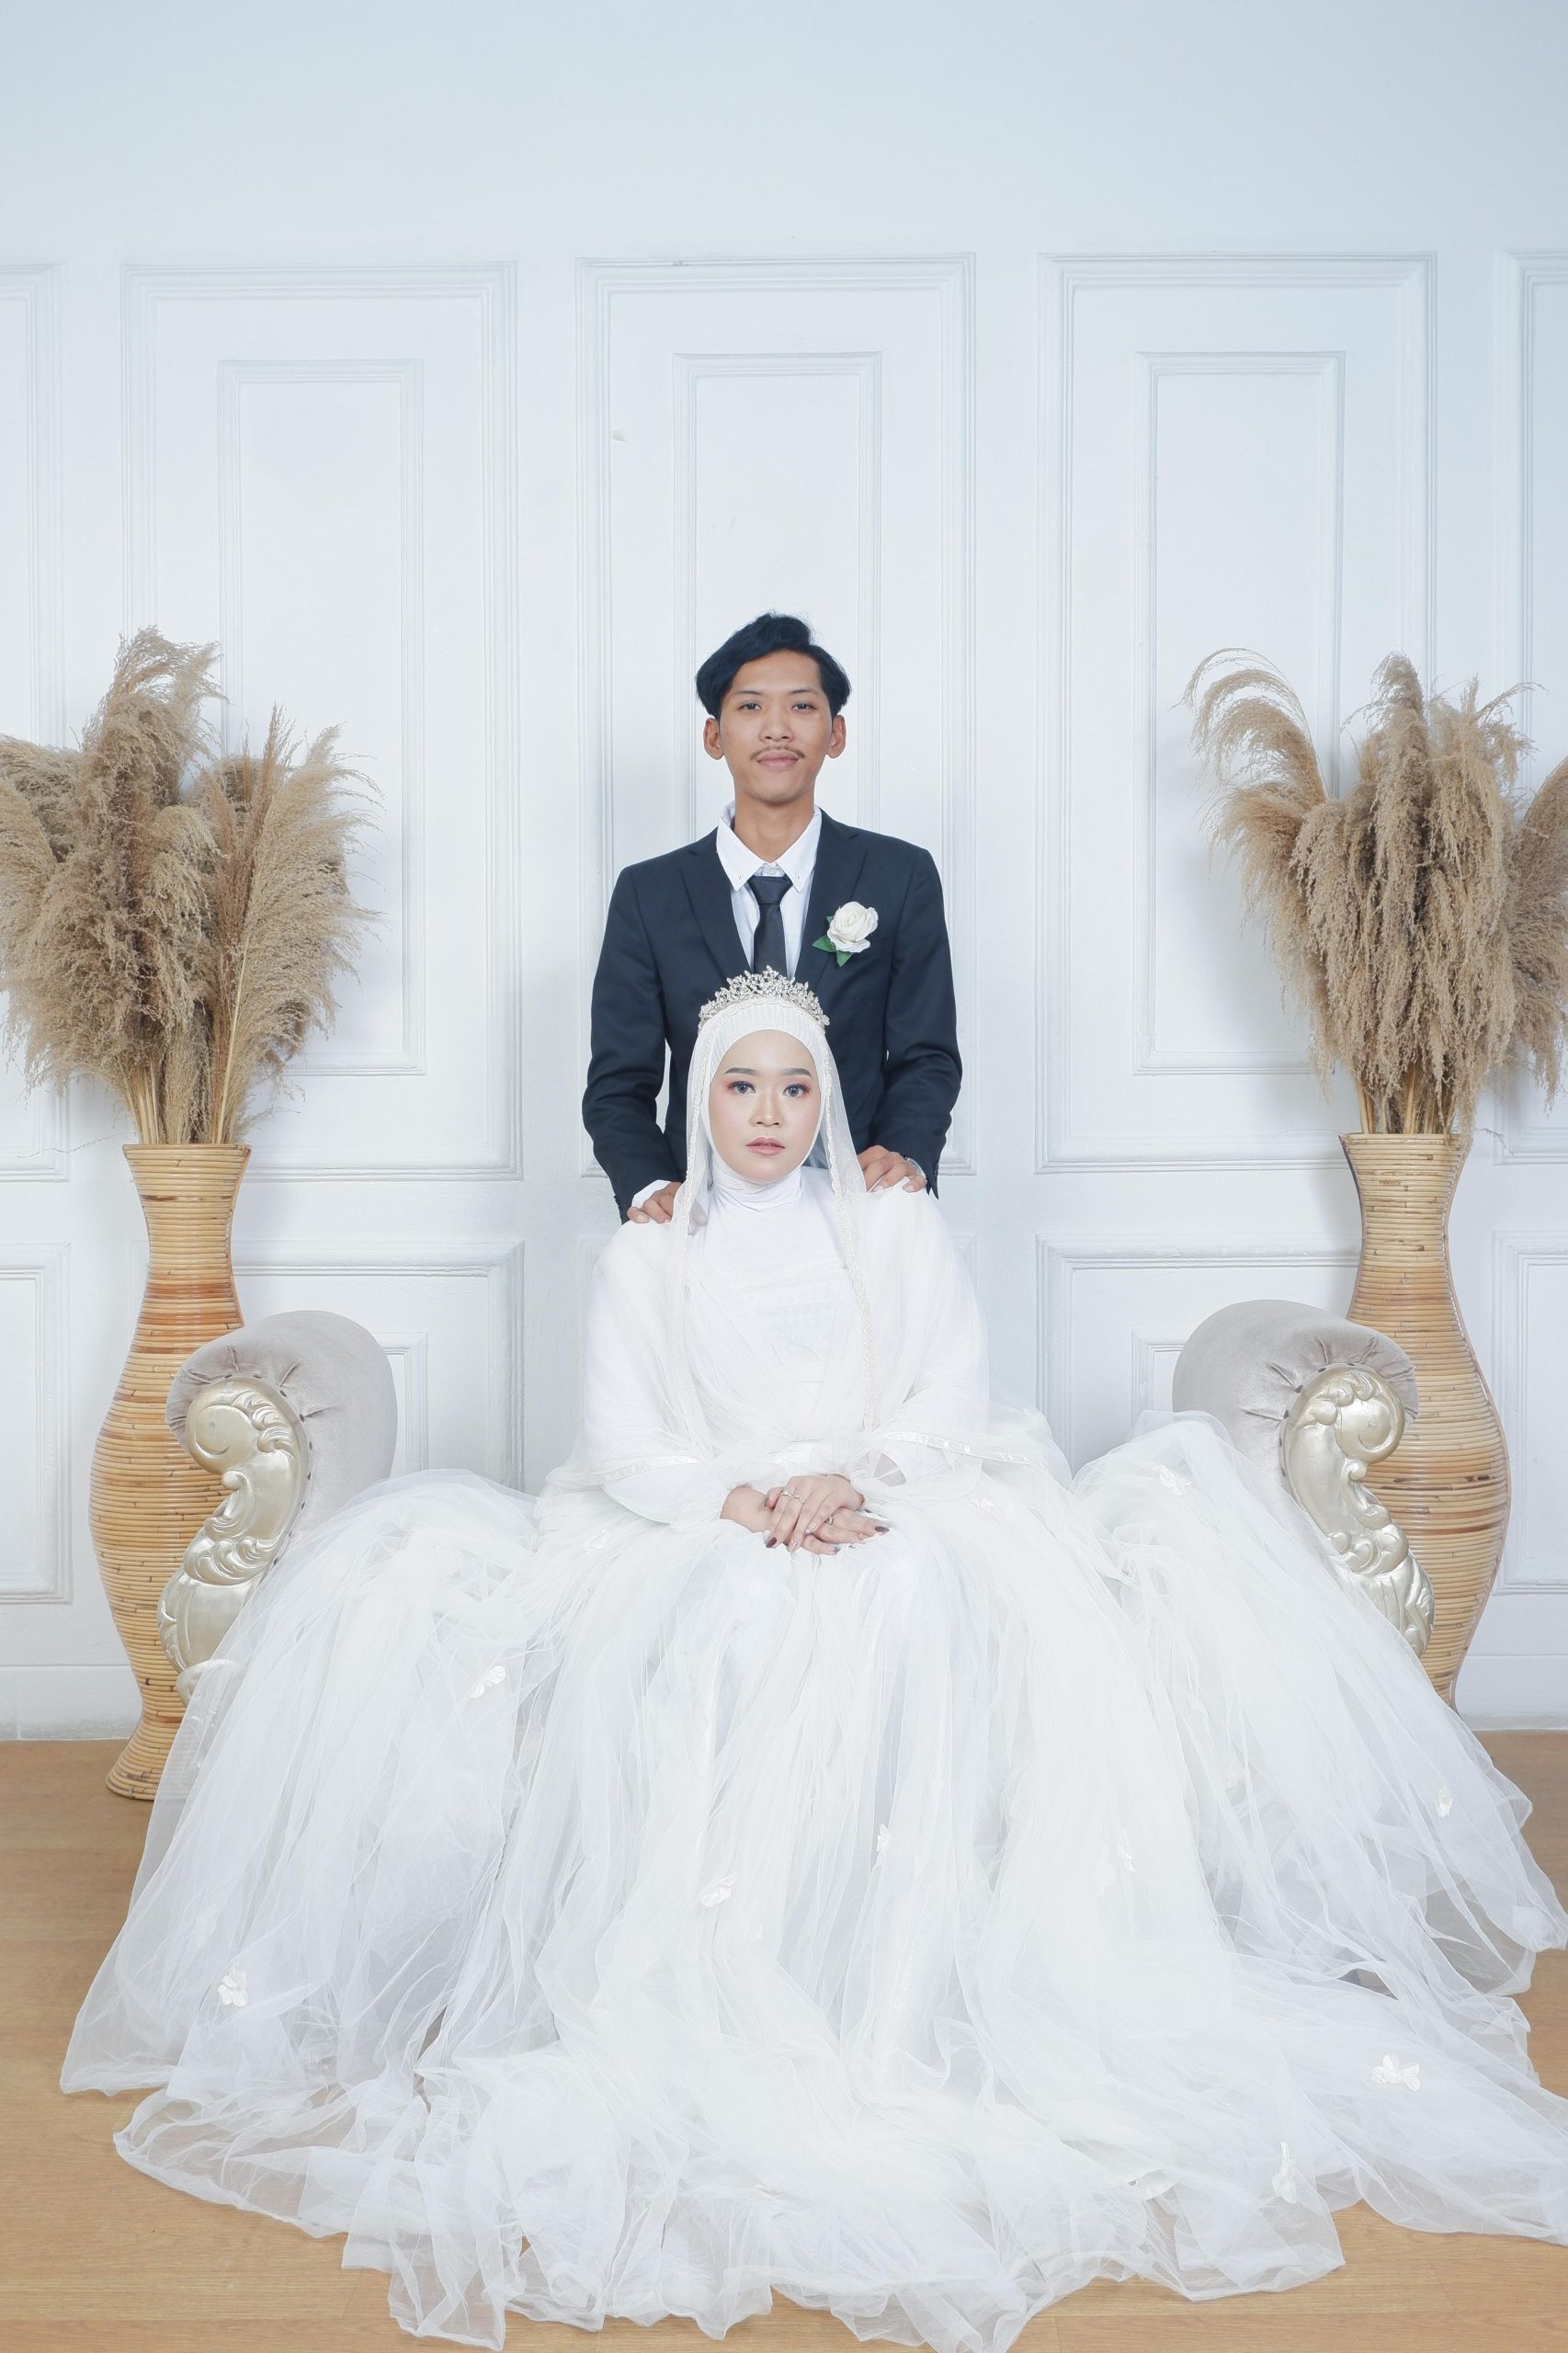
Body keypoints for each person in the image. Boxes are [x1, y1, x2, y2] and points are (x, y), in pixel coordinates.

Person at [62, 968, 1568, 2353]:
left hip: (888, 1496)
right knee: (727, 1615)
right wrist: (743, 1504)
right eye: (740, 1087)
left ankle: (898, 1993)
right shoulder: (651, 1252)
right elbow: (627, 1443)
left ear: (827, 1101)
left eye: (795, 1087)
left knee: (901, 1598)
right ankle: (723, 1988)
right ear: (697, 1103)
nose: (770, 1114)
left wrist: (853, 1480)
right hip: (704, 1514)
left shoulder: (890, 1225)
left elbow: (946, 1396)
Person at [582, 609, 960, 1221]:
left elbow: (927, 1054)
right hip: (701, 1212)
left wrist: (905, 1156)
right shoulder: (649, 893)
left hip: (858, 1206)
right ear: (714, 736)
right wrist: (650, 1186)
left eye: (802, 707)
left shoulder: (900, 876)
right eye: (751, 706)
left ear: (836, 733)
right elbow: (618, 1083)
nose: (777, 729)